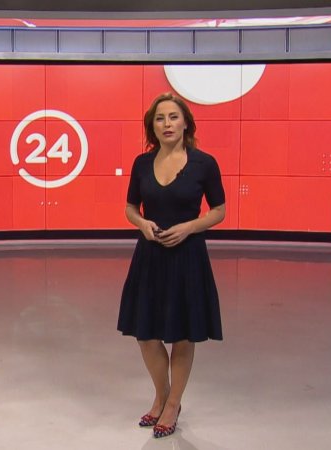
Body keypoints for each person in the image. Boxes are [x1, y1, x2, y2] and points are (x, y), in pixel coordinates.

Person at [117, 93, 225, 438]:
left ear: (186, 123)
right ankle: (163, 394)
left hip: (187, 257)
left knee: (182, 334)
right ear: (152, 126)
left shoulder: (204, 164)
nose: (167, 124)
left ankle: (172, 403)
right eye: (160, 118)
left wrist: (190, 227)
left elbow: (219, 211)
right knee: (145, 335)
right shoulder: (141, 163)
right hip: (149, 257)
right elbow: (130, 207)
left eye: (173, 117)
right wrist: (142, 224)